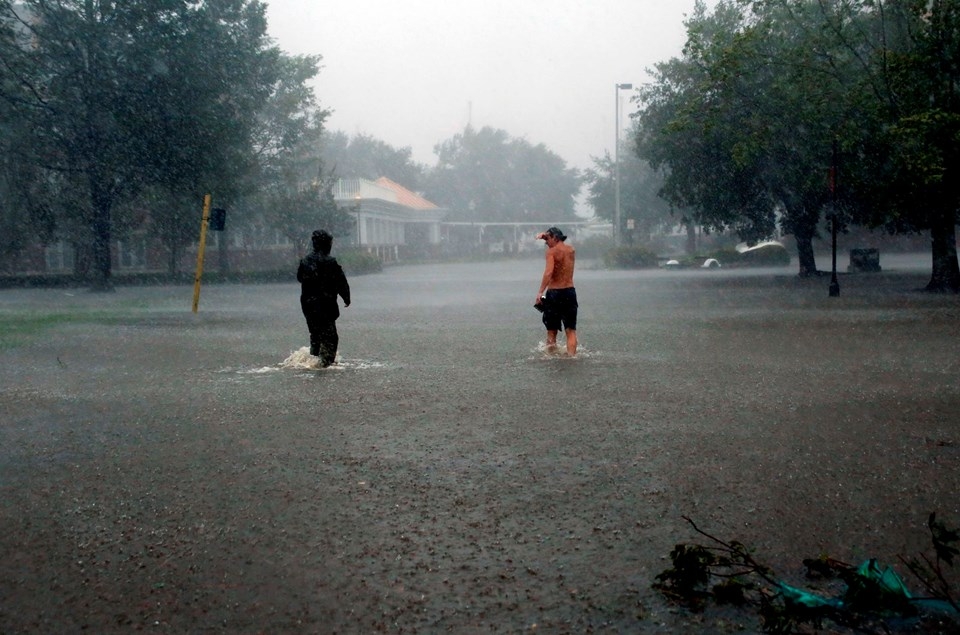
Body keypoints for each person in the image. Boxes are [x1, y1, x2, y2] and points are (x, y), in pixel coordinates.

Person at [297, 230, 350, 367]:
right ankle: (326, 364)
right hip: (325, 305)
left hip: (308, 305)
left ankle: (314, 360)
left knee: (315, 334)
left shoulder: (305, 261)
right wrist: (346, 297)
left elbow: (300, 278)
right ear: (326, 244)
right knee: (330, 336)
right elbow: (341, 281)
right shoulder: (330, 262)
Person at [534, 226, 578, 356]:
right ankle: (572, 358)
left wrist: (540, 292)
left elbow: (549, 272)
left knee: (551, 330)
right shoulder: (571, 250)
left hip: (554, 294)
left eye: (547, 239)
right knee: (570, 330)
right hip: (570, 292)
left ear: (555, 237)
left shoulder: (551, 252)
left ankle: (551, 359)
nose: (546, 242)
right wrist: (546, 236)